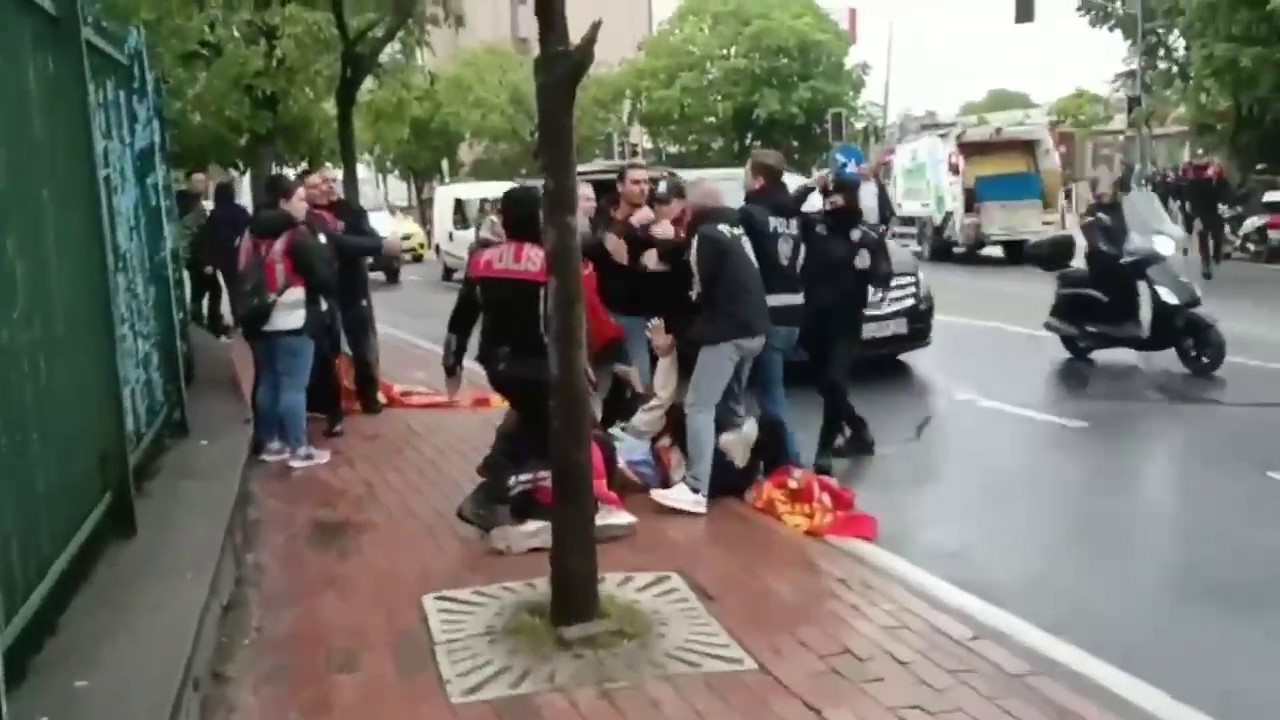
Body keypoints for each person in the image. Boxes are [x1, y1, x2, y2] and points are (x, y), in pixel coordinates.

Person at [444, 185, 636, 551]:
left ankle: (500, 483)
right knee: (564, 436)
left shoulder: (482, 260)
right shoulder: (551, 261)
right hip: (539, 366)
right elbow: (565, 323)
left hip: (497, 364)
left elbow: (462, 316)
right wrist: (580, 363)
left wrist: (451, 363)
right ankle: (497, 493)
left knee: (529, 423)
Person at [648, 184, 771, 515]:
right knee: (730, 402)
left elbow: (697, 289)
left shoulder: (704, 235)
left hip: (727, 331)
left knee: (698, 406)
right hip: (756, 329)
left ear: (689, 207)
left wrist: (687, 331)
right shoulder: (734, 230)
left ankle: (695, 487)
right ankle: (740, 432)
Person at [240, 174, 336, 469]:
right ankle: (300, 448)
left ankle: (271, 443)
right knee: (294, 387)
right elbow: (322, 273)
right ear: (284, 203)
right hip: (291, 319)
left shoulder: (252, 230)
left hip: (258, 319)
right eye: (300, 199)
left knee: (268, 381)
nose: (305, 206)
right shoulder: (296, 234)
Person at [797, 175, 891, 474]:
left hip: (846, 321)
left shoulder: (867, 236)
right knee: (826, 385)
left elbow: (884, 275)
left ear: (851, 197)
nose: (832, 199)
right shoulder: (815, 227)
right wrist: (811, 185)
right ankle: (858, 429)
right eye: (829, 194)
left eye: (838, 194)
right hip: (814, 321)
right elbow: (788, 208)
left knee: (836, 381)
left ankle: (824, 450)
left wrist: (871, 268)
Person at [300, 168, 400, 413]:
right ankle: (325, 402)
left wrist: (347, 242)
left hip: (352, 287)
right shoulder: (306, 217)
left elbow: (370, 241)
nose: (330, 186)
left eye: (334, 181)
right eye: (324, 182)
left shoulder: (350, 211)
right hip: (323, 291)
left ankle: (369, 396)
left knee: (362, 343)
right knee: (326, 348)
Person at [738, 148, 806, 467]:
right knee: (772, 392)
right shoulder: (792, 214)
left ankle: (791, 466)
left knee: (769, 397)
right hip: (794, 312)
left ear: (758, 178)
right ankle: (774, 459)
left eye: (746, 172)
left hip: (767, 313)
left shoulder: (750, 214)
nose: (743, 178)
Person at [587, 163, 659, 388]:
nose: (643, 188)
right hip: (614, 309)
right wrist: (630, 225)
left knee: (644, 381)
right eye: (636, 182)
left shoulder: (654, 217)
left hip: (648, 311)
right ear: (620, 186)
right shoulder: (603, 217)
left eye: (646, 182)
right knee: (629, 381)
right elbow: (598, 249)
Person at [192, 180, 251, 336]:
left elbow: (210, 239)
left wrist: (209, 261)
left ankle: (220, 321)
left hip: (221, 259)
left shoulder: (215, 215)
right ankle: (242, 321)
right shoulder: (241, 213)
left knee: (223, 290)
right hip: (240, 256)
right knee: (237, 290)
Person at [1183, 151, 1231, 279]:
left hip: (1212, 212)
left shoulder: (1216, 178)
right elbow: (1189, 199)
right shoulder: (1194, 182)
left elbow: (1226, 192)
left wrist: (1223, 203)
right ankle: (1207, 264)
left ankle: (1213, 258)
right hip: (1205, 213)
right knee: (1206, 239)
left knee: (1214, 238)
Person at [856, 162, 896, 231]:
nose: (862, 174)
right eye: (860, 172)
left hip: (876, 223)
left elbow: (886, 201)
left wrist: (890, 215)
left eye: (864, 171)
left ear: (870, 172)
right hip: (860, 223)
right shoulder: (856, 186)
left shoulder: (877, 185)